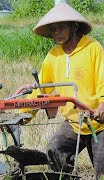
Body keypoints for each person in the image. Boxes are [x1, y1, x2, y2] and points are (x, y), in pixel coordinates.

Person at [24, 2, 104, 179]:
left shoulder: (93, 49)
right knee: (55, 150)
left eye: (61, 28)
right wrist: (24, 114)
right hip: (74, 121)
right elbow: (42, 89)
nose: (57, 33)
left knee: (102, 171)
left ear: (74, 27)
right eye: (53, 29)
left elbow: (102, 80)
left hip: (99, 123)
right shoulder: (53, 56)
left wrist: (102, 103)